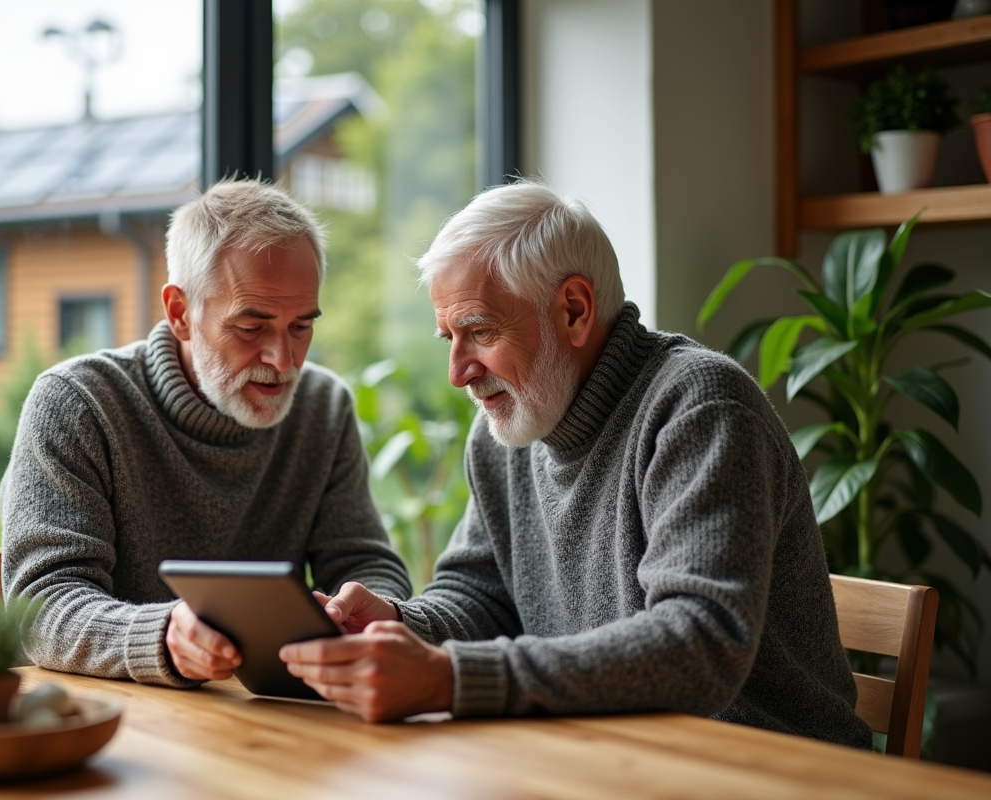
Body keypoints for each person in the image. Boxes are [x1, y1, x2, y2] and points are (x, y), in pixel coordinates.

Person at [280, 181, 872, 749]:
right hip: (616, 754)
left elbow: (699, 644)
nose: (458, 372)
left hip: (769, 768)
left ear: (573, 309)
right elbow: (480, 595)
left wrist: (451, 677)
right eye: (448, 340)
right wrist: (399, 624)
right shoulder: (506, 432)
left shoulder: (700, 407)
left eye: (479, 331)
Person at [0, 179, 411, 688]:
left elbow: (365, 561)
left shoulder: (323, 407)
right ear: (180, 313)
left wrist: (371, 610)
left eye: (301, 326)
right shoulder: (77, 404)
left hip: (270, 722)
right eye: (250, 327)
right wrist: (161, 636)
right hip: (120, 721)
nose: (283, 361)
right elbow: (39, 608)